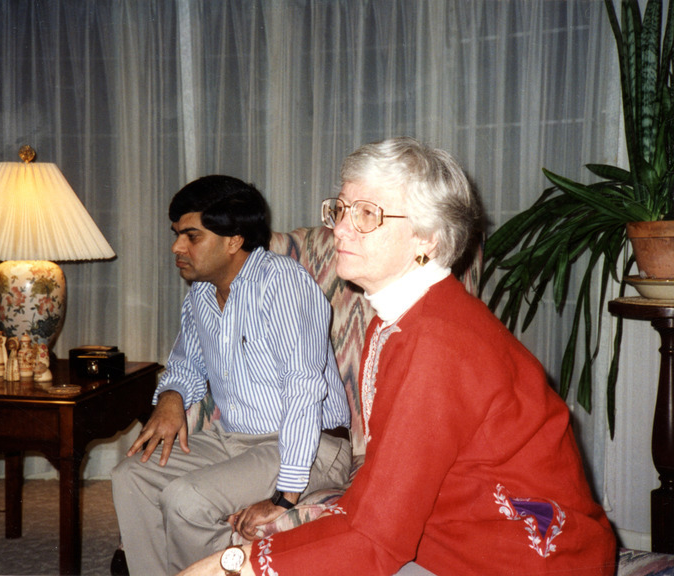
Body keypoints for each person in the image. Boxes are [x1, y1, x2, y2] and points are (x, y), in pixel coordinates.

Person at [178, 139, 616, 576]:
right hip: (451, 539)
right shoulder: (397, 319)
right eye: (342, 209)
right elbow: (380, 491)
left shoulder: (436, 343)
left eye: (367, 214)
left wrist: (233, 564)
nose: (341, 229)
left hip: (517, 560)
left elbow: (375, 543)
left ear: (426, 238)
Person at [111, 175, 352, 576]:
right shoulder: (201, 295)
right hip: (235, 440)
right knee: (130, 476)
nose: (176, 247)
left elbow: (304, 387)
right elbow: (186, 364)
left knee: (186, 500)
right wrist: (171, 397)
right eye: (176, 235)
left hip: (312, 445)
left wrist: (286, 495)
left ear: (234, 240)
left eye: (191, 236)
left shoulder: (283, 283)